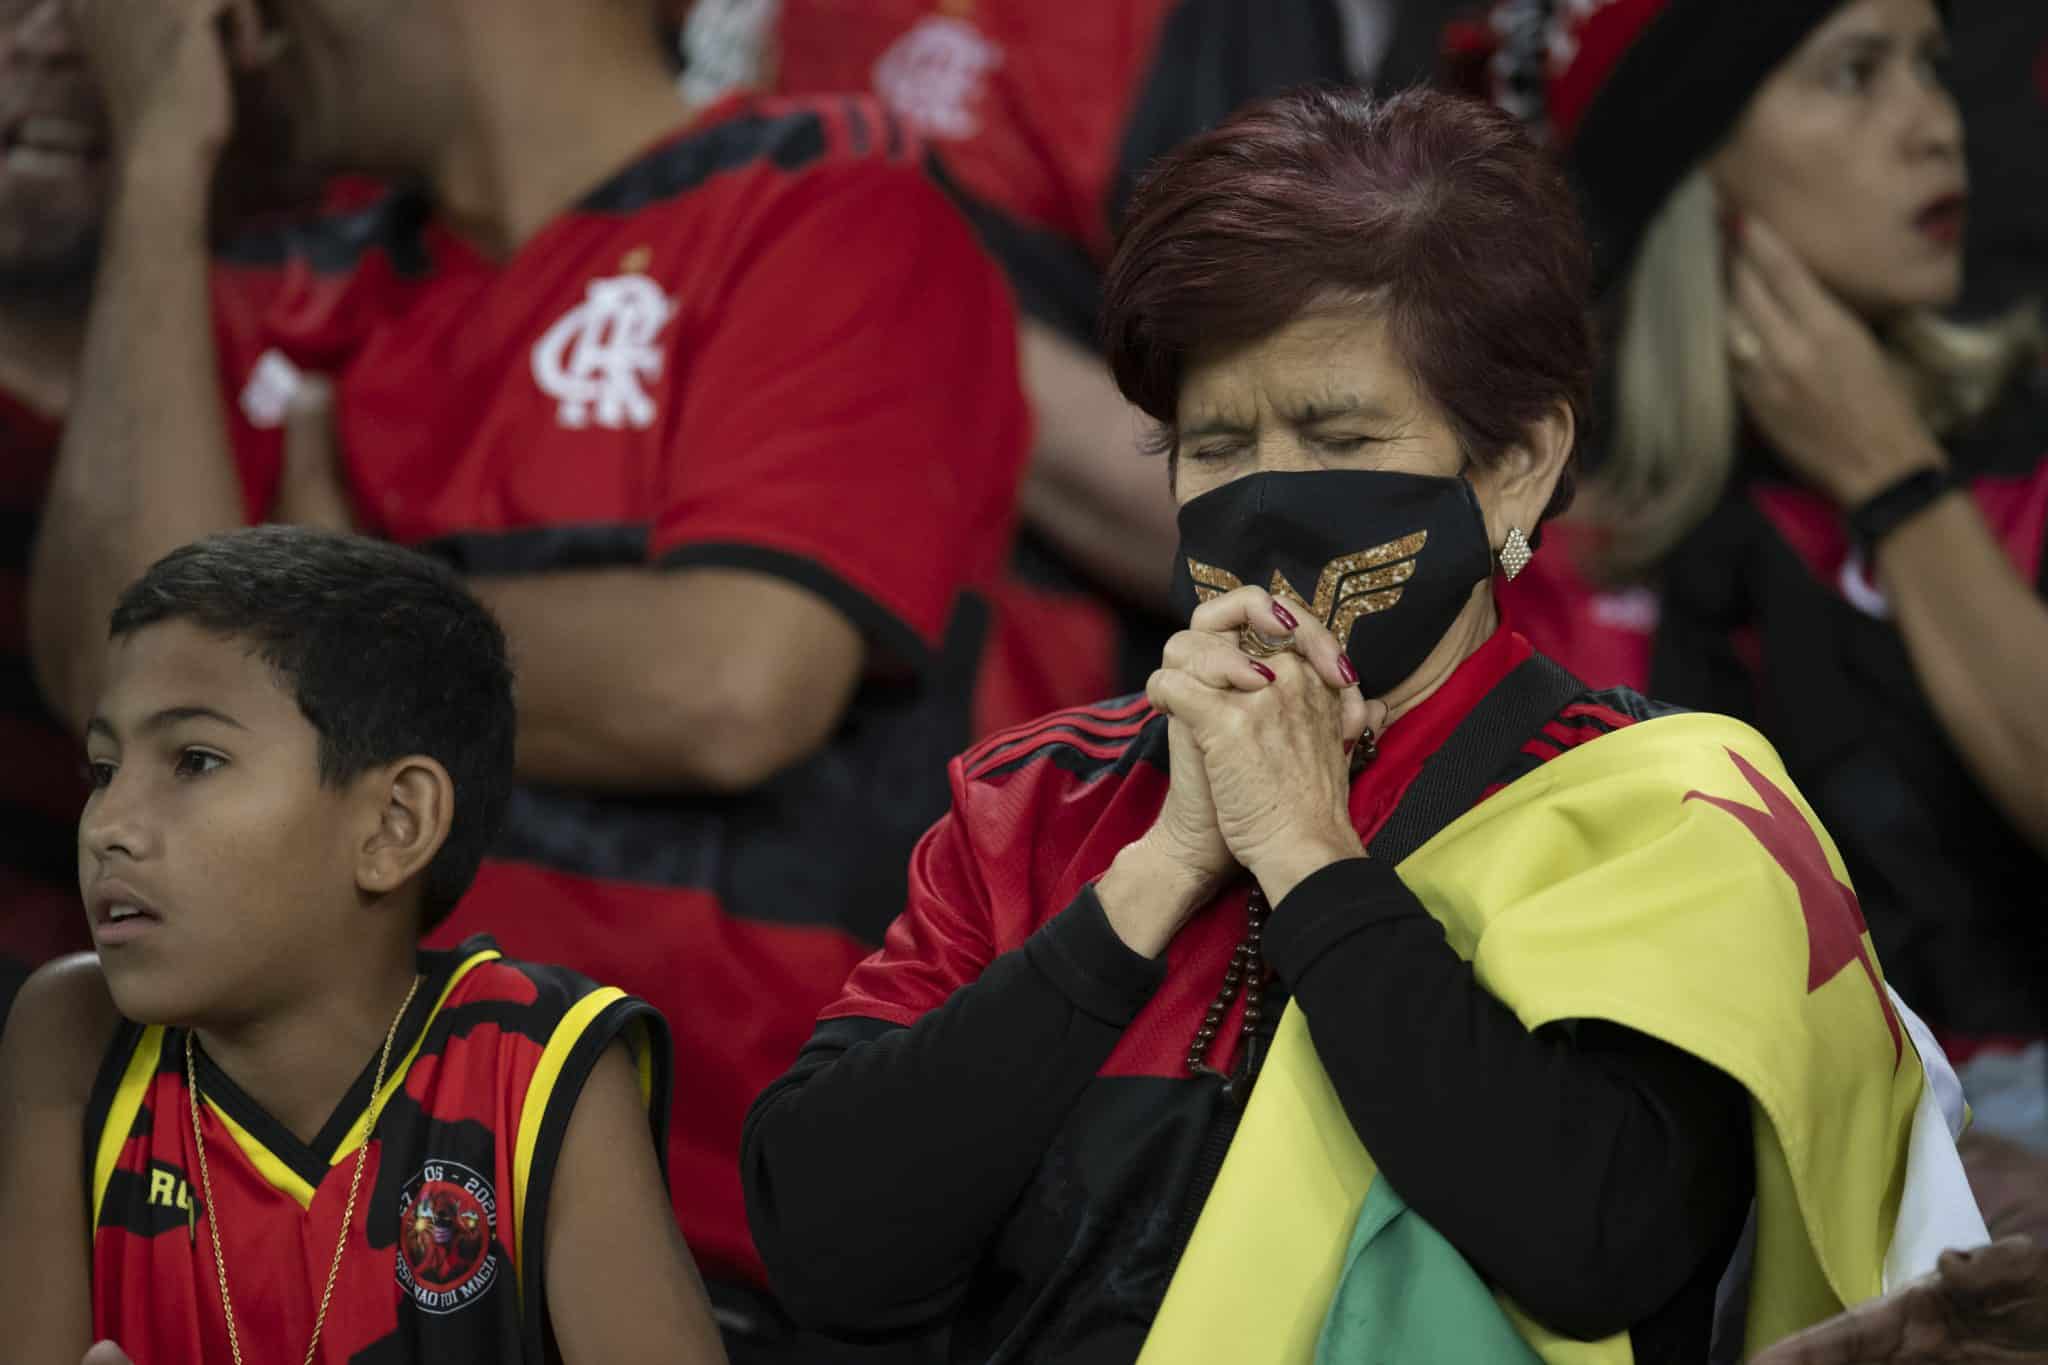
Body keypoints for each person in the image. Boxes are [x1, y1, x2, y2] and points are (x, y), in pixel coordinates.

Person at [742, 87, 1976, 1365]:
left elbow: (1595, 1241)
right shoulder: (1034, 800)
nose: (1270, 502)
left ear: (1518, 464)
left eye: (1339, 437)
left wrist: (1309, 861)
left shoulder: (1666, 809)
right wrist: (1159, 873)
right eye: (1216, 448)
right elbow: (828, 1246)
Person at [28, 0, 1029, 1353]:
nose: (237, 25)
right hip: (243, 1260)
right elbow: (128, 693)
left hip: (721, 1268)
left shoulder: (829, 197)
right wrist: (159, 161)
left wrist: (334, 589)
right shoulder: (289, 285)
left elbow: (731, 676)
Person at [1476, 0, 2048, 1150]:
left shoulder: (2015, 458)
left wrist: (1890, 476)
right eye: (1853, 74)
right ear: (1696, 164)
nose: (1933, 125)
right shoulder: (1543, 542)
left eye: (1929, 69)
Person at [0, 526, 727, 1364]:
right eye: (103, 769)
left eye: (194, 759)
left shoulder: (536, 1066)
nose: (109, 826)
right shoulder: (72, 1036)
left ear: (394, 823)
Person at [673, 0, 1438, 731]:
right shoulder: (728, 28)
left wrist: (892, 311)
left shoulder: (1199, 29)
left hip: (1047, 759)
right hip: (733, 683)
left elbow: (1305, 527)